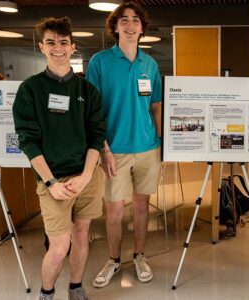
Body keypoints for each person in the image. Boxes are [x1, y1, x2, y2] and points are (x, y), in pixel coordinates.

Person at [12, 17, 106, 300]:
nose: (58, 48)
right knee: (59, 245)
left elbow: (96, 135)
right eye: (51, 42)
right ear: (42, 47)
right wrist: (51, 181)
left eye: (63, 42)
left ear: (72, 47)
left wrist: (87, 175)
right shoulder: (30, 89)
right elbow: (28, 140)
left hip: (87, 176)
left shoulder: (87, 91)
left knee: (81, 237)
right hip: (54, 180)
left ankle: (76, 288)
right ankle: (47, 293)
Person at [86, 2, 162, 287]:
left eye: (135, 20)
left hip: (147, 149)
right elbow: (92, 113)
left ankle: (140, 255)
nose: (130, 25)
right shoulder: (100, 62)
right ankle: (114, 260)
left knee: (143, 207)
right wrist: (104, 149)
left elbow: (155, 106)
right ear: (115, 27)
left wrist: (159, 144)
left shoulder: (149, 64)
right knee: (115, 211)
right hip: (113, 150)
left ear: (142, 28)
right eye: (124, 20)